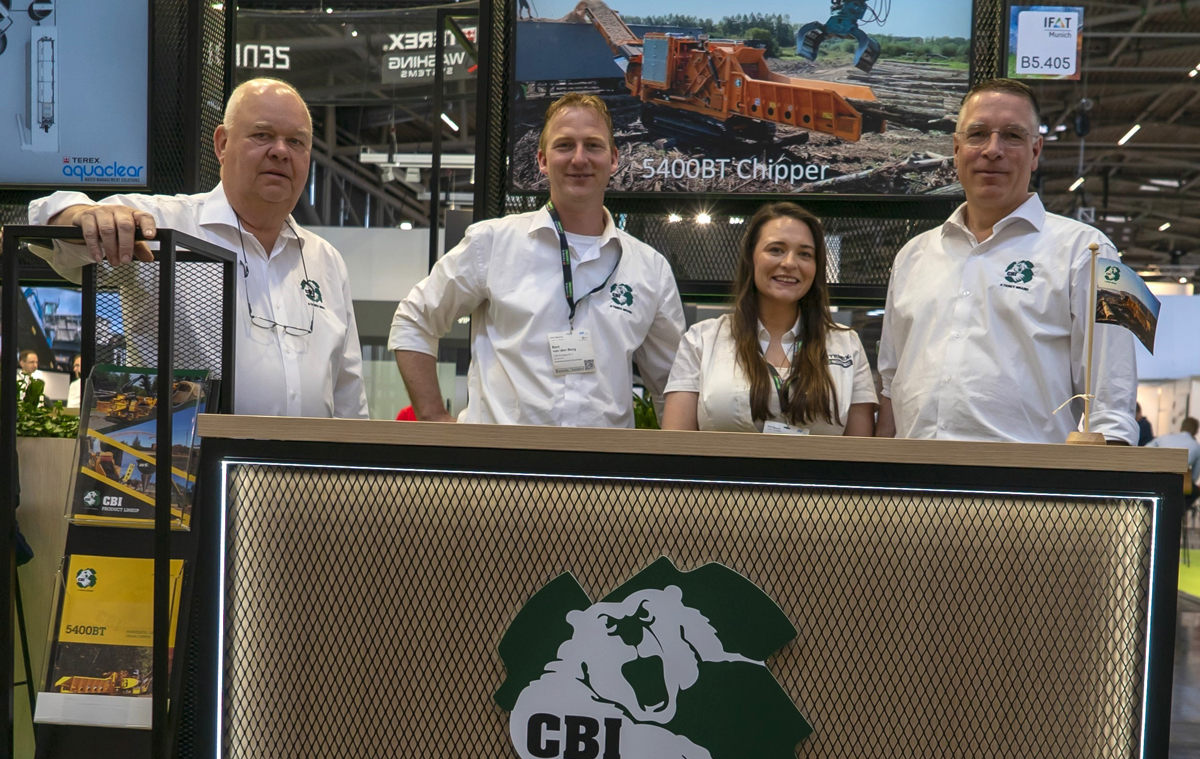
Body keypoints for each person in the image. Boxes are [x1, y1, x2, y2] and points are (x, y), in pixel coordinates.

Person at [28, 78, 368, 419]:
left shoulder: (325, 260)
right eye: (262, 135)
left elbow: (348, 397)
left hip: (308, 456)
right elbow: (48, 221)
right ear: (222, 144)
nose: (280, 151)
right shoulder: (162, 225)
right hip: (185, 453)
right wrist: (83, 216)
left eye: (296, 141)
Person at [389, 93, 685, 426]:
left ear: (614, 158)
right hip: (500, 456)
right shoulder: (493, 243)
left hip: (602, 459)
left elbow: (674, 384)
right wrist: (432, 416)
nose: (579, 159)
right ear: (542, 160)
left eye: (593, 145)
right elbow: (415, 319)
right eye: (564, 146)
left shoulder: (650, 269)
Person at [875, 78, 1137, 444]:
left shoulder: (1092, 253)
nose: (992, 150)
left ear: (1035, 151)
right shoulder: (912, 256)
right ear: (956, 148)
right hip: (915, 474)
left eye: (1012, 136)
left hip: (1026, 477)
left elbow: (1112, 397)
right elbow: (891, 385)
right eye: (978, 134)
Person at [661, 203, 876, 435]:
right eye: (776, 250)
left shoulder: (847, 344)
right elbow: (676, 445)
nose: (790, 263)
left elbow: (860, 451)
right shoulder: (702, 340)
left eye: (805, 254)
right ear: (750, 258)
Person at [1147, 418, 1200, 490]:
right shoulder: (1196, 446)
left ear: (1181, 427)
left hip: (1155, 478)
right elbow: (1194, 476)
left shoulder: (1164, 437)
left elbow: (1146, 449)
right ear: (1196, 431)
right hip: (1177, 483)